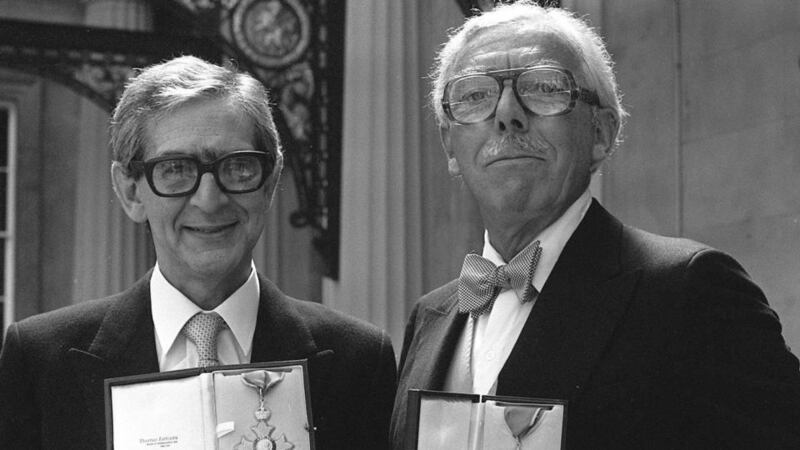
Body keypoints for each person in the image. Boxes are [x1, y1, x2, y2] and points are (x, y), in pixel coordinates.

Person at [390, 3, 800, 449]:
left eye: (544, 87)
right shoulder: (429, 317)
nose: (507, 114)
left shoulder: (690, 290)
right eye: (474, 96)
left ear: (601, 133)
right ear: (450, 147)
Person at [0, 55, 396, 450]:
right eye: (176, 169)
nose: (209, 200)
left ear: (271, 180)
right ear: (130, 191)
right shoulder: (41, 360)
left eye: (237, 166)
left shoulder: (358, 361)